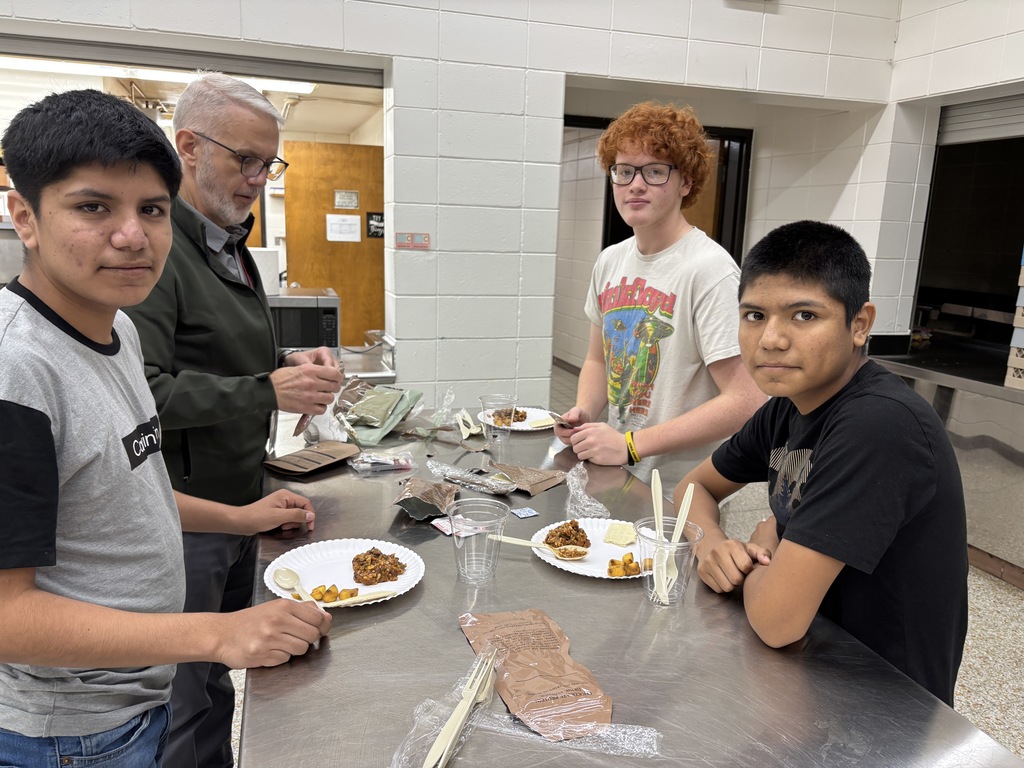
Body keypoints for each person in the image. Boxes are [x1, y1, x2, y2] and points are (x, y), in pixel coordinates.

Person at [0, 88, 331, 767]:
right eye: (94, 207)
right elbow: (6, 616)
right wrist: (216, 635)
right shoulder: (17, 373)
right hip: (72, 732)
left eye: (151, 210)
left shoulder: (116, 331)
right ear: (24, 217)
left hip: (135, 698)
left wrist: (242, 518)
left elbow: (125, 486)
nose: (133, 236)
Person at [121, 73, 343, 768]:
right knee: (183, 697)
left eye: (269, 164)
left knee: (218, 683)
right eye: (244, 160)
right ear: (188, 146)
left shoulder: (228, 243)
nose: (258, 179)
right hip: (188, 518)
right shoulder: (158, 253)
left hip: (239, 503)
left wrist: (286, 363)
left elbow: (217, 353)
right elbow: (143, 393)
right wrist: (266, 390)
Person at [678, 220, 968, 706]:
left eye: (804, 315)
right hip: (805, 672)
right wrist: (711, 544)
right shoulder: (787, 407)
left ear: (860, 324)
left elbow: (777, 623)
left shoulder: (880, 425)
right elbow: (693, 487)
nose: (771, 339)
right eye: (754, 315)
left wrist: (764, 541)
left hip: (882, 700)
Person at [555, 101, 765, 490]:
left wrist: (631, 445)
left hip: (678, 489)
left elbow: (746, 399)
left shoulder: (710, 270)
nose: (635, 184)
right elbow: (597, 359)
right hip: (616, 473)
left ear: (686, 182)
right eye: (624, 171)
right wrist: (584, 412)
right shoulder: (610, 261)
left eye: (654, 171)